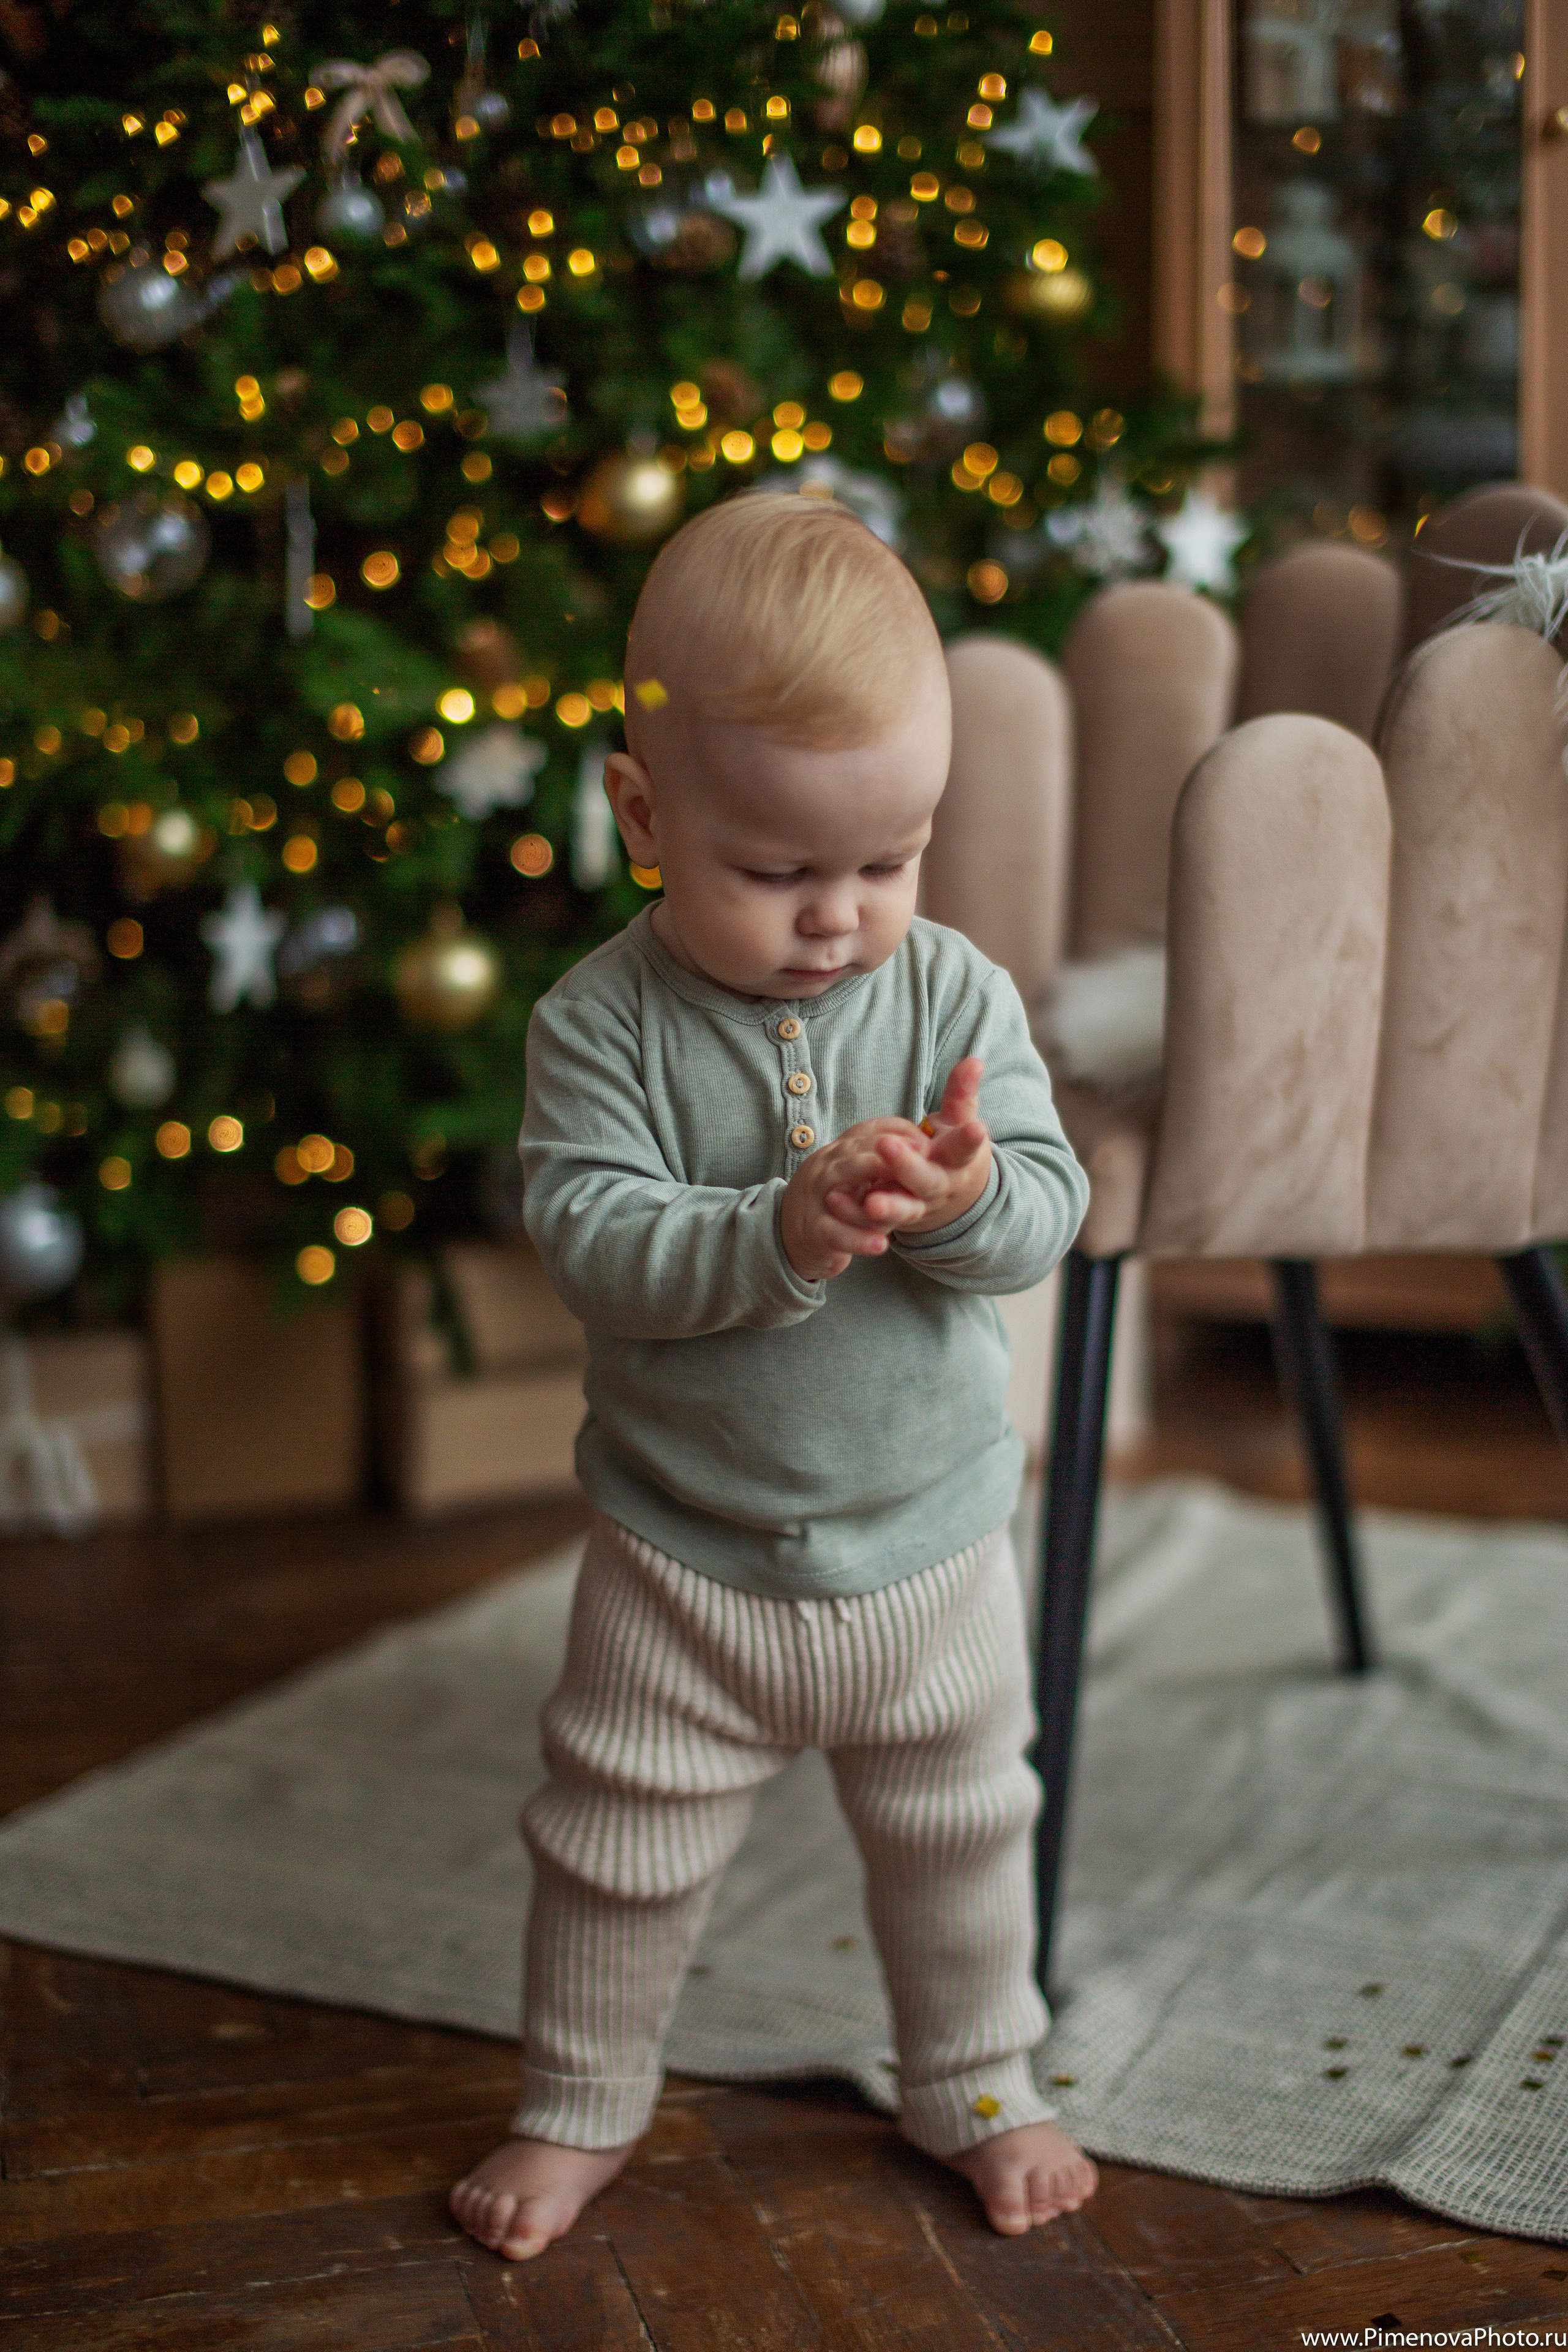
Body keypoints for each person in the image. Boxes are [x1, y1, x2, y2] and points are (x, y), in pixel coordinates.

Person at [450, 491, 1095, 2263]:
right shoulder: (601, 1025)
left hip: (932, 1543)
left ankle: (976, 2076)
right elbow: (592, 1238)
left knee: (965, 1832)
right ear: (646, 816)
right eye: (779, 871)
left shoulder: (953, 993)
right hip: (686, 1557)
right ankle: (581, 2102)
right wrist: (778, 1233)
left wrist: (964, 1198)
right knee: (615, 1848)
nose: (839, 918)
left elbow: (1050, 1211)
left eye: (887, 862)